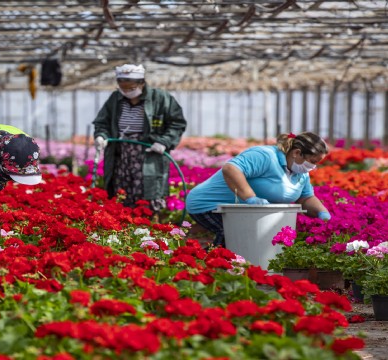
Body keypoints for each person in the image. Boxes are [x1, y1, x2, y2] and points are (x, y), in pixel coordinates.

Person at [186, 131, 332, 248]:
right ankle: (205, 267)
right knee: (234, 237)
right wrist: (250, 198)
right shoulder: (265, 156)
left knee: (245, 241)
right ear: (296, 153)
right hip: (208, 204)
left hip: (245, 212)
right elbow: (231, 169)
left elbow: (306, 198)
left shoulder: (301, 172)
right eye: (312, 161)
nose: (313, 167)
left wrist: (323, 214)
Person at [92, 64, 187, 214]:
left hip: (149, 153)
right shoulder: (115, 99)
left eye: (131, 87)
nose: (127, 91)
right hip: (121, 155)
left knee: (148, 194)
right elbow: (102, 122)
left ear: (142, 83)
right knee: (121, 193)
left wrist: (164, 141)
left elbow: (177, 123)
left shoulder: (160, 98)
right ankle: (123, 226)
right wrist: (101, 136)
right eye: (123, 87)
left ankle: (147, 225)